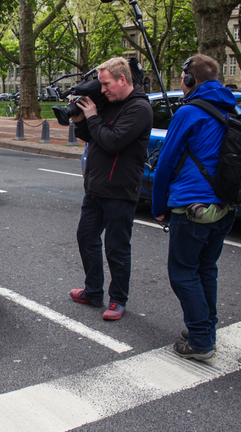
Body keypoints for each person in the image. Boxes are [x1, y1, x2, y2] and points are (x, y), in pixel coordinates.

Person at [151, 54, 237, 361]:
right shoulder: (231, 106)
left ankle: (201, 340)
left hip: (192, 207)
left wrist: (157, 205)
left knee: (183, 272)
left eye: (183, 77)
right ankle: (205, 328)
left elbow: (166, 164)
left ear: (190, 80)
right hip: (224, 206)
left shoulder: (189, 113)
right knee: (206, 270)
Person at [69, 57, 153, 321]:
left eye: (106, 84)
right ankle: (93, 291)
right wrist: (82, 119)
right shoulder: (110, 104)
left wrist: (93, 117)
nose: (102, 90)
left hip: (119, 190)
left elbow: (112, 141)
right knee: (86, 237)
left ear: (122, 80)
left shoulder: (139, 109)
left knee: (116, 248)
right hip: (96, 187)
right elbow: (93, 135)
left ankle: (118, 299)